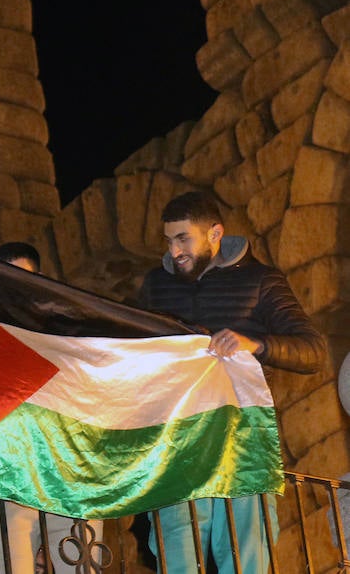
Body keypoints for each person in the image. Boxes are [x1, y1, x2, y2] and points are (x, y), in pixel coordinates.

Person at [131, 191, 327, 574]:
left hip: (243, 440)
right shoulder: (156, 286)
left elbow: (313, 351)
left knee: (245, 551)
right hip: (178, 440)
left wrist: (255, 344)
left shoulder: (261, 280)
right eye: (168, 241)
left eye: (183, 239)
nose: (174, 252)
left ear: (215, 233)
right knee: (176, 551)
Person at [0, 241, 102, 574]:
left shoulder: (68, 326)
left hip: (67, 459)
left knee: (79, 561)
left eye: (23, 277)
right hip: (9, 461)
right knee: (11, 563)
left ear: (39, 279)